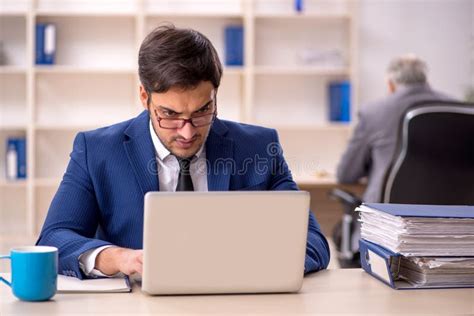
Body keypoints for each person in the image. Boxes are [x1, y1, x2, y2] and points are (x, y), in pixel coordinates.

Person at [37, 25, 330, 279]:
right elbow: (54, 240)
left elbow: (313, 242)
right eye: (170, 114)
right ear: (144, 96)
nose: (187, 132)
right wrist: (121, 259)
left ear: (215, 95)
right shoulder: (97, 151)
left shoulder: (259, 147)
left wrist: (255, 268)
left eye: (203, 111)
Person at [337, 54, 453, 202]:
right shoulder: (455, 108)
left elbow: (346, 173)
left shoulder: (374, 112)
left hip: (386, 218)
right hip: (444, 216)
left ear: (391, 85)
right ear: (427, 82)